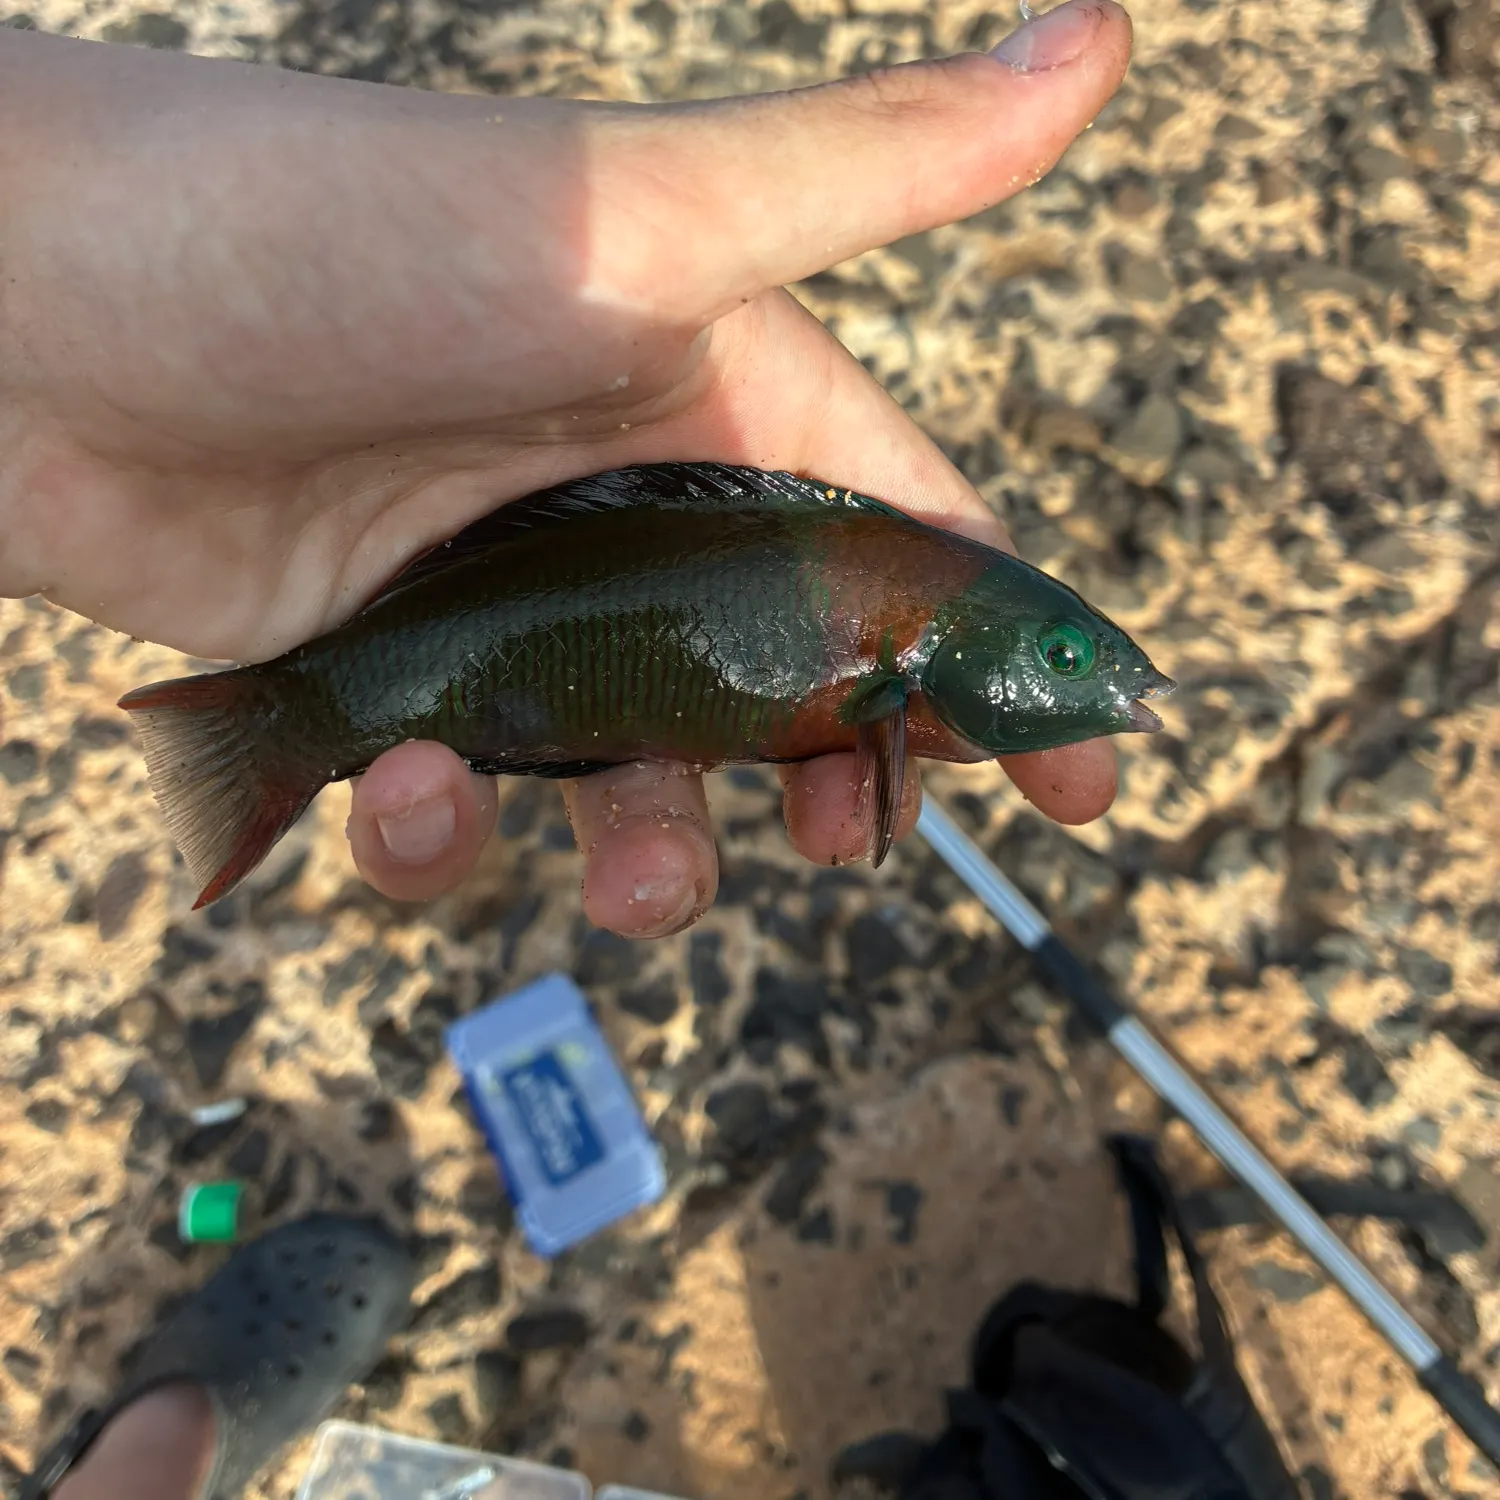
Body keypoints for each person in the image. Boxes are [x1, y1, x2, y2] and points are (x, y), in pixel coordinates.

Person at [2, 4, 1135, 1493]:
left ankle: (158, 1443)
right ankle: (173, 1442)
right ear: (954, 651)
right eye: (1059, 651)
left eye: (1074, 658)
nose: (1093, 672)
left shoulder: (902, 639)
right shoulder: (894, 637)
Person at [0, 0, 1130, 946]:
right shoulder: (900, 609)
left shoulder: (904, 603)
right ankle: (285, 722)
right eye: (1063, 652)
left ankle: (304, 716)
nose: (1089, 672)